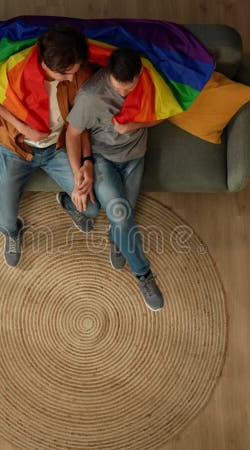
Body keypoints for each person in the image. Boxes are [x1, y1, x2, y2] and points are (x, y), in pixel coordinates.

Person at [0, 25, 99, 267]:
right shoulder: (16, 72)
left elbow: (80, 125)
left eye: (75, 72)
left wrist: (87, 162)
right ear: (47, 67)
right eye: (66, 75)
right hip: (17, 149)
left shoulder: (80, 73)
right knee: (5, 222)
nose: (72, 79)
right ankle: (14, 232)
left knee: (90, 208)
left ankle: (66, 201)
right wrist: (25, 128)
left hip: (57, 148)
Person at [64, 48, 165, 311]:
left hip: (136, 158)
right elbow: (73, 134)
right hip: (103, 159)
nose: (122, 95)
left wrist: (134, 125)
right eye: (118, 89)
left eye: (128, 90)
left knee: (122, 218)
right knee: (120, 214)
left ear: (139, 74)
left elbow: (166, 113)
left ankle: (118, 239)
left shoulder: (151, 81)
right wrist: (78, 175)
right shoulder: (90, 96)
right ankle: (144, 274)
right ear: (109, 74)